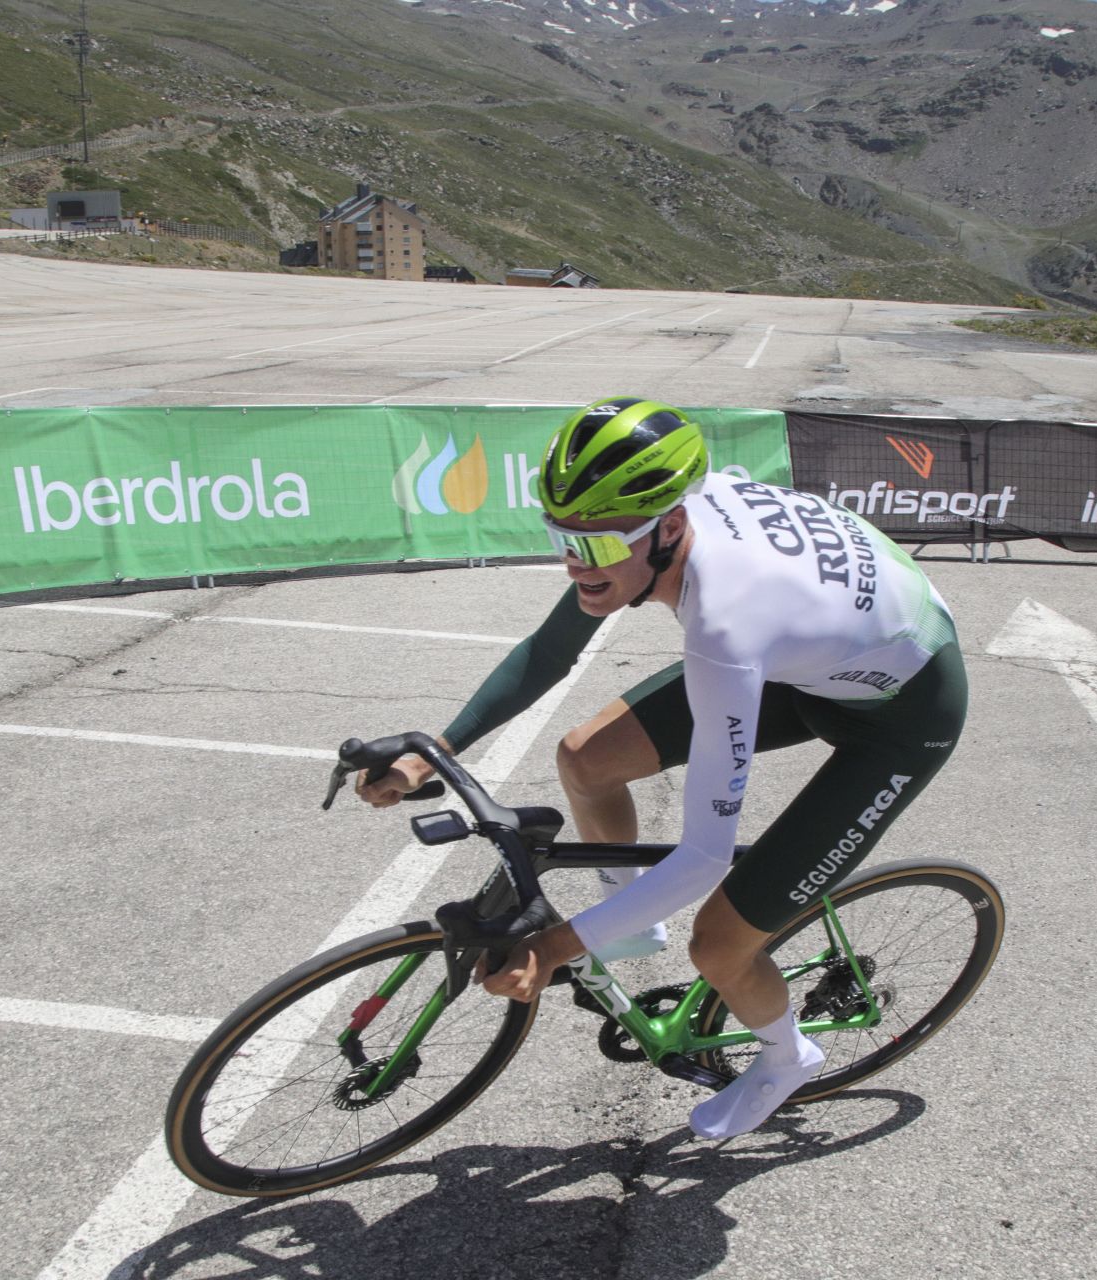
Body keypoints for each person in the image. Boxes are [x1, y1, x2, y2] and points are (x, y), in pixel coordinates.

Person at [357, 396, 968, 1140]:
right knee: (585, 757)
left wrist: (552, 948)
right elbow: (551, 650)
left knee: (719, 943)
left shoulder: (725, 622)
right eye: (561, 536)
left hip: (902, 717)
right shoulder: (646, 524)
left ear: (670, 528)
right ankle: (631, 922)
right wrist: (434, 751)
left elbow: (703, 855)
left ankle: (788, 1057)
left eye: (596, 545)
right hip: (817, 656)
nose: (575, 563)